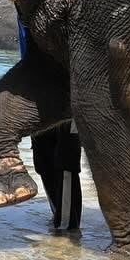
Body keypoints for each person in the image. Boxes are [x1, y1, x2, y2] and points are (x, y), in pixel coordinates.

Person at [18, 19, 83, 231]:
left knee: (65, 161)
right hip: (37, 93)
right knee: (43, 160)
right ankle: (59, 218)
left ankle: (67, 230)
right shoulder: (23, 9)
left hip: (69, 94)